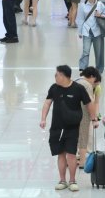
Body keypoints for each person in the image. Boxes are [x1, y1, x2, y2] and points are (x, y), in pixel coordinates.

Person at [40, 65, 92, 193]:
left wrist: (94, 119)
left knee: (71, 154)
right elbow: (47, 102)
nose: (55, 77)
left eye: (56, 75)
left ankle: (72, 180)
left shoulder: (78, 89)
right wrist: (43, 119)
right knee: (60, 154)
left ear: (63, 76)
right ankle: (62, 180)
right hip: (57, 127)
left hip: (72, 128)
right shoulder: (54, 88)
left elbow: (88, 103)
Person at [77, 0, 105, 74]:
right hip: (86, 31)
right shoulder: (83, 5)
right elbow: (80, 19)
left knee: (98, 52)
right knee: (85, 51)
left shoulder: (99, 4)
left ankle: (99, 69)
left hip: (97, 31)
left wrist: (100, 15)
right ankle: (83, 68)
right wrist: (80, 31)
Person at [75, 67, 102, 167]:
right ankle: (82, 162)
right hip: (83, 115)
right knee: (83, 137)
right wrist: (94, 119)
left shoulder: (75, 81)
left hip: (71, 113)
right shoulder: (87, 85)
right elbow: (90, 103)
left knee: (72, 137)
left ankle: (70, 161)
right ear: (92, 76)